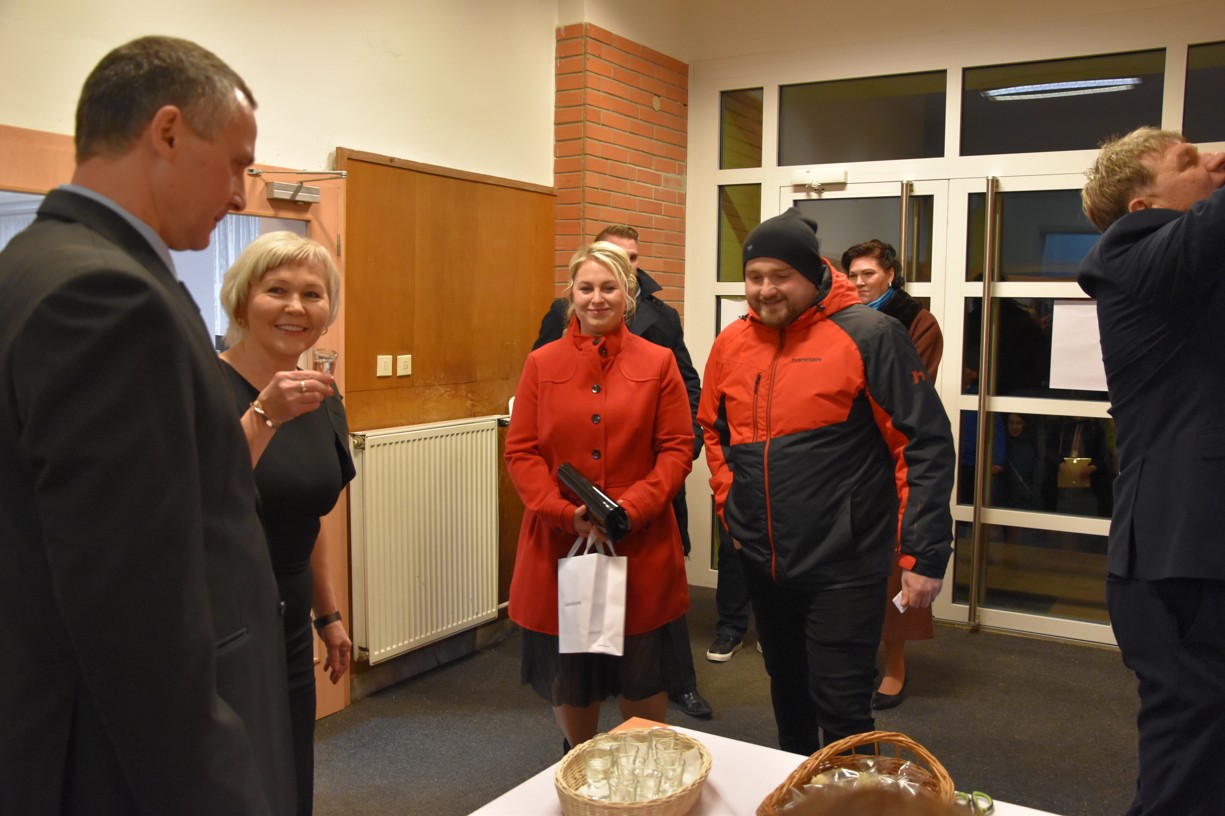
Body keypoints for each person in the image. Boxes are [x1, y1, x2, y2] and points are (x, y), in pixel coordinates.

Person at [0, 36, 295, 814]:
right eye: (234, 165)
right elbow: (134, 611)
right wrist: (218, 791)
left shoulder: (33, 265)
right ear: (166, 132)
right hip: (118, 760)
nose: (240, 194)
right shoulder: (105, 297)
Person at [698, 208, 955, 754]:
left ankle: (854, 795)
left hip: (845, 560)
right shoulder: (731, 342)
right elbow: (714, 431)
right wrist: (731, 508)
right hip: (764, 557)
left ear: (813, 274)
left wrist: (924, 553)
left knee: (841, 705)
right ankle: (796, 789)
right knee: (787, 691)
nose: (765, 289)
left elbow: (923, 443)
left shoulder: (871, 334)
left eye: (780, 275)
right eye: (754, 276)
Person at [1077, 126, 1225, 816]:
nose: (1211, 160)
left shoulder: (1188, 272)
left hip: (1194, 551)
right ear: (1144, 206)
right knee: (1188, 771)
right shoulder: (1129, 254)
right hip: (1180, 559)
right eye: (1188, 160)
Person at [507, 240, 694, 750]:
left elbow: (677, 447)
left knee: (643, 669)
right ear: (571, 293)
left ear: (627, 294)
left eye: (608, 287)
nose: (596, 298)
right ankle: (580, 764)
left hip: (640, 541)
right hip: (564, 543)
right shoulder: (541, 362)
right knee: (574, 671)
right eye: (586, 287)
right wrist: (564, 513)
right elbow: (521, 452)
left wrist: (632, 509)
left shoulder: (658, 361)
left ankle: (643, 770)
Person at [218, 232, 356, 816]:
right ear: (242, 301)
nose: (296, 307)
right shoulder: (200, 389)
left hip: (289, 614)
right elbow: (198, 497)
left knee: (292, 778)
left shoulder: (320, 396)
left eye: (313, 295)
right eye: (276, 290)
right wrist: (264, 416)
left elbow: (308, 514)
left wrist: (328, 615)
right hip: (218, 621)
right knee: (230, 783)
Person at [842, 239, 945, 712]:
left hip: (895, 457)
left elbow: (911, 392)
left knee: (894, 570)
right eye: (853, 275)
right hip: (849, 461)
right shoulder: (840, 318)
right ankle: (857, 658)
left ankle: (895, 666)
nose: (859, 282)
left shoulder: (918, 322)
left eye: (868, 273)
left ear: (890, 274)